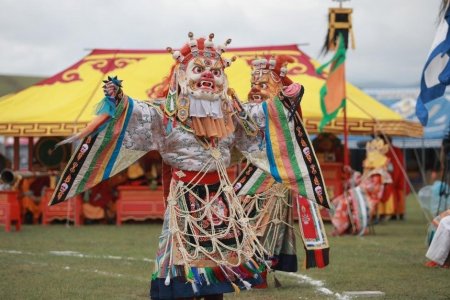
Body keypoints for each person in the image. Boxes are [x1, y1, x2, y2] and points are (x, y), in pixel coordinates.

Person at [50, 33, 330, 300]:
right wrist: (119, 101)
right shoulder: (165, 114)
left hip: (220, 199)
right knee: (181, 261)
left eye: (215, 71)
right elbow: (139, 113)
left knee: (219, 266)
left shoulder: (231, 113)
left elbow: (259, 119)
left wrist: (286, 98)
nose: (208, 75)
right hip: (185, 196)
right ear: (181, 75)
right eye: (199, 69)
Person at [240, 55, 329, 276]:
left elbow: (295, 91)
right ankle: (251, 268)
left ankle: (258, 271)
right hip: (251, 175)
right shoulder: (250, 110)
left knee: (265, 226)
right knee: (247, 222)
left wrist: (289, 88)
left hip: (275, 178)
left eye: (262, 85)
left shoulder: (281, 108)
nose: (255, 89)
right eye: (253, 85)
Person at [331, 137, 392, 235]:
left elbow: (374, 190)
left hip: (368, 199)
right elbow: (361, 180)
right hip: (360, 196)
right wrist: (352, 172)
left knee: (344, 202)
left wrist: (356, 190)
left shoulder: (379, 173)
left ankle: (341, 228)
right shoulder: (370, 172)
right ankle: (343, 227)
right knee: (337, 201)